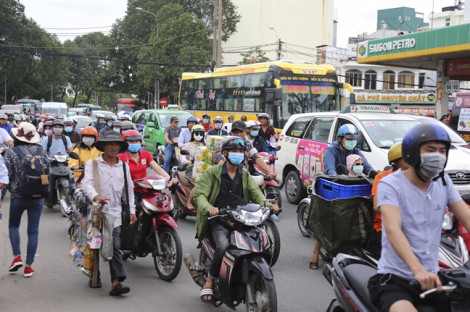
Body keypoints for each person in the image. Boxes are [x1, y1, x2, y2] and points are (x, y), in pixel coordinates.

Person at [367, 123, 470, 312]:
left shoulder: (443, 181)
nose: (437, 156)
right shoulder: (390, 184)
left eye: (442, 151)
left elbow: (466, 216)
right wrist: (417, 270)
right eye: (430, 150)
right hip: (396, 280)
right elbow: (392, 229)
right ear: (412, 153)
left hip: (434, 279)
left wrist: (425, 273)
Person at [193, 137, 280, 302]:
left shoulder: (244, 174)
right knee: (223, 246)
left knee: (261, 241)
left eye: (241, 152)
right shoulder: (213, 173)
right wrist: (208, 208)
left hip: (241, 218)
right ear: (225, 153)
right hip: (219, 219)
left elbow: (255, 193)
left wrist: (268, 204)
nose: (238, 154)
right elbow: (200, 195)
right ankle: (210, 280)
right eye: (234, 151)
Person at [81, 131, 137, 296]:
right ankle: (94, 274)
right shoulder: (93, 164)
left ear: (120, 147)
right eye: (110, 144)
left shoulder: (124, 166)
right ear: (103, 146)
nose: (113, 147)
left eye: (116, 144)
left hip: (115, 213)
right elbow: (87, 184)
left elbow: (128, 191)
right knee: (94, 246)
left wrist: (132, 210)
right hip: (96, 212)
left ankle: (116, 282)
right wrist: (96, 196)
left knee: (114, 246)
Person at [5, 123, 44, 278]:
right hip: (38, 198)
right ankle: (28, 267)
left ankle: (17, 257)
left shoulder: (11, 152)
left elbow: (5, 176)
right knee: (33, 231)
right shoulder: (42, 151)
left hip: (17, 196)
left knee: (13, 226)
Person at [367, 142, 409, 259]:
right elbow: (376, 207)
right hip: (385, 229)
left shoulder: (417, 179)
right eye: (406, 159)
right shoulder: (382, 178)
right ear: (394, 162)